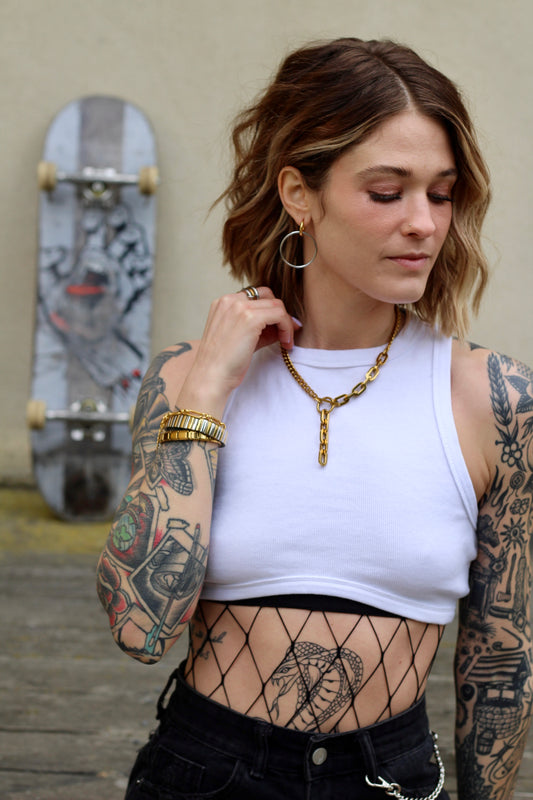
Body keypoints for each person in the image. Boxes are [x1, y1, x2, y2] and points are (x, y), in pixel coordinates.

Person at [96, 37, 532, 799]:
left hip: (389, 779)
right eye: (386, 191)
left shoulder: (492, 398)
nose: (423, 223)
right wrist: (206, 394)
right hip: (205, 773)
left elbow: (501, 658)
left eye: (439, 193)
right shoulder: (186, 379)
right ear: (300, 193)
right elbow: (141, 627)